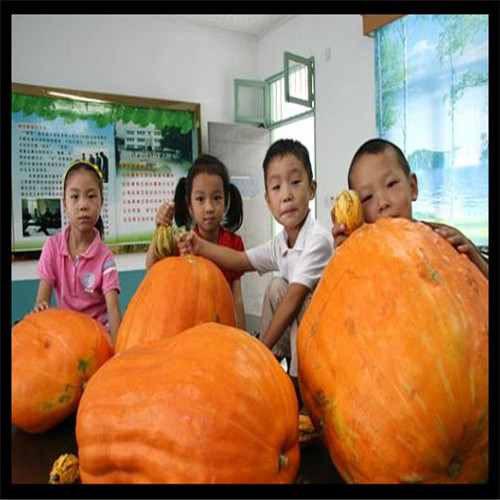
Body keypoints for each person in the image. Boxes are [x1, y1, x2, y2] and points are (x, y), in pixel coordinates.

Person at [176, 139, 333, 404]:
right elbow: (240, 261)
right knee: (275, 287)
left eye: (295, 182)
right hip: (300, 336)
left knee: (295, 297)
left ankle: (296, 385)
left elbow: (294, 299)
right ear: (268, 200)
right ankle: (272, 366)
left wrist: (258, 349)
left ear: (312, 189)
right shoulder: (281, 242)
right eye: (276, 187)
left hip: (327, 338)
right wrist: (200, 246)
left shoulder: (317, 238)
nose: (287, 194)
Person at [332, 138, 488, 279]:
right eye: (367, 197)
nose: (382, 203)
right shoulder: (361, 255)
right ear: (359, 212)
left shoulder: (444, 238)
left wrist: (476, 263)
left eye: (391, 184)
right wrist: (346, 258)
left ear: (412, 187)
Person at [145, 154, 247, 330]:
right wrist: (159, 228)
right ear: (190, 206)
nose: (209, 207)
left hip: (223, 328)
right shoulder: (183, 242)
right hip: (188, 329)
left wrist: (243, 337)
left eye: (216, 198)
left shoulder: (234, 243)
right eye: (200, 199)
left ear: (226, 201)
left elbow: (236, 297)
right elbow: (151, 266)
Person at [32, 160, 122, 343]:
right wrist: (41, 310)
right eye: (74, 197)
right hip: (67, 339)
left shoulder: (105, 256)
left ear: (101, 202)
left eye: (91, 196)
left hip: (99, 339)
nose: (83, 205)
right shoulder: (52, 247)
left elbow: (113, 310)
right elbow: (42, 302)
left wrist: (118, 351)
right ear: (64, 203)